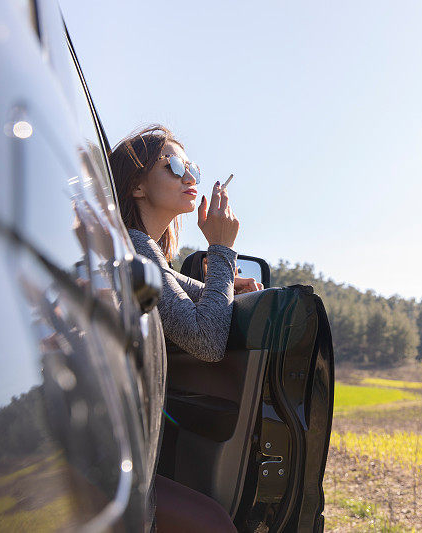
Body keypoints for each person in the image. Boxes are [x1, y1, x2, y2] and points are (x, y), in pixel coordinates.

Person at [109, 124, 261, 532]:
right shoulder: (135, 255)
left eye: (191, 165)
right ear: (137, 186)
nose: (190, 176)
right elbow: (208, 342)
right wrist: (223, 250)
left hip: (117, 447)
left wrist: (227, 280)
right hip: (104, 457)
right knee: (214, 524)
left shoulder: (142, 252)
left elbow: (186, 289)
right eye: (174, 165)